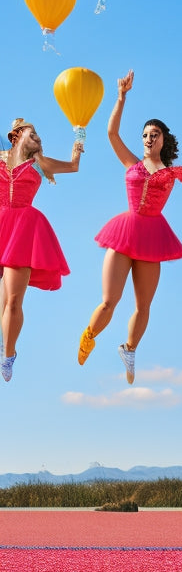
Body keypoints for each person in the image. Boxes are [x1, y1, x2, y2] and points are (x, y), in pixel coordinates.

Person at [77, 70, 182, 384]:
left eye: (154, 134)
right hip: (126, 230)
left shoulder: (172, 171)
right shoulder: (132, 163)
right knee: (109, 300)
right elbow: (111, 133)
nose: (148, 139)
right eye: (144, 135)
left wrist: (176, 172)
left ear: (163, 139)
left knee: (143, 305)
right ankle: (90, 334)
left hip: (153, 237)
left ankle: (129, 349)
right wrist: (121, 97)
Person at [0, 119, 83, 381]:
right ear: (16, 137)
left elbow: (73, 166)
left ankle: (9, 353)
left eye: (39, 134)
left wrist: (79, 138)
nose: (38, 137)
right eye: (32, 133)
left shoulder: (40, 164)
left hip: (23, 230)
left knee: (13, 301)